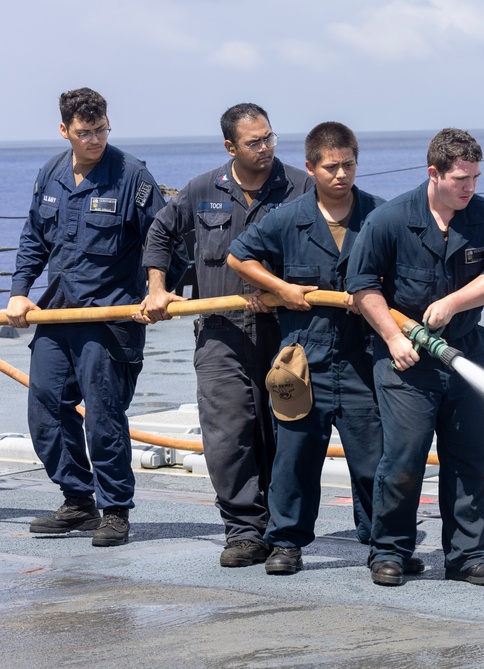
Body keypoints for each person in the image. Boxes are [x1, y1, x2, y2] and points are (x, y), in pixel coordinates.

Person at [227, 121, 424, 576]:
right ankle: (287, 543)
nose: (341, 175)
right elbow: (240, 255)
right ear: (311, 167)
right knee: (294, 457)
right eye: (331, 167)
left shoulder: (380, 215)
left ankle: (386, 547)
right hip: (302, 359)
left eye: (349, 165)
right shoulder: (288, 217)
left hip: (364, 358)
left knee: (376, 457)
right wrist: (282, 289)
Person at [138, 103, 312, 568]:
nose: (266, 149)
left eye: (271, 138)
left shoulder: (301, 187)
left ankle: (283, 533)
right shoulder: (202, 191)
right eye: (254, 142)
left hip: (286, 335)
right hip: (220, 334)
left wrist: (276, 286)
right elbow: (159, 233)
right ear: (230, 146)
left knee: (285, 433)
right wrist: (158, 288)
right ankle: (243, 532)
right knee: (226, 436)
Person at [346, 128, 484, 587]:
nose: (470, 188)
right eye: (461, 178)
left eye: (476, 178)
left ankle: (468, 555)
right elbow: (362, 286)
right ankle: (390, 551)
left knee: (470, 456)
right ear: (434, 173)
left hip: (466, 352)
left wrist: (454, 303)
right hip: (405, 359)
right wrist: (393, 338)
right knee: (404, 458)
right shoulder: (389, 219)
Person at [6, 88, 166, 546]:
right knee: (46, 410)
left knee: (103, 416)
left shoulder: (133, 176)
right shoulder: (51, 173)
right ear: (64, 131)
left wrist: (157, 290)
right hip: (57, 314)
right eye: (84, 132)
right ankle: (78, 501)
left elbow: (163, 241)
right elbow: (34, 239)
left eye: (101, 130)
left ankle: (115, 510)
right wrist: (20, 293)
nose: (94, 139)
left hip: (109, 318)